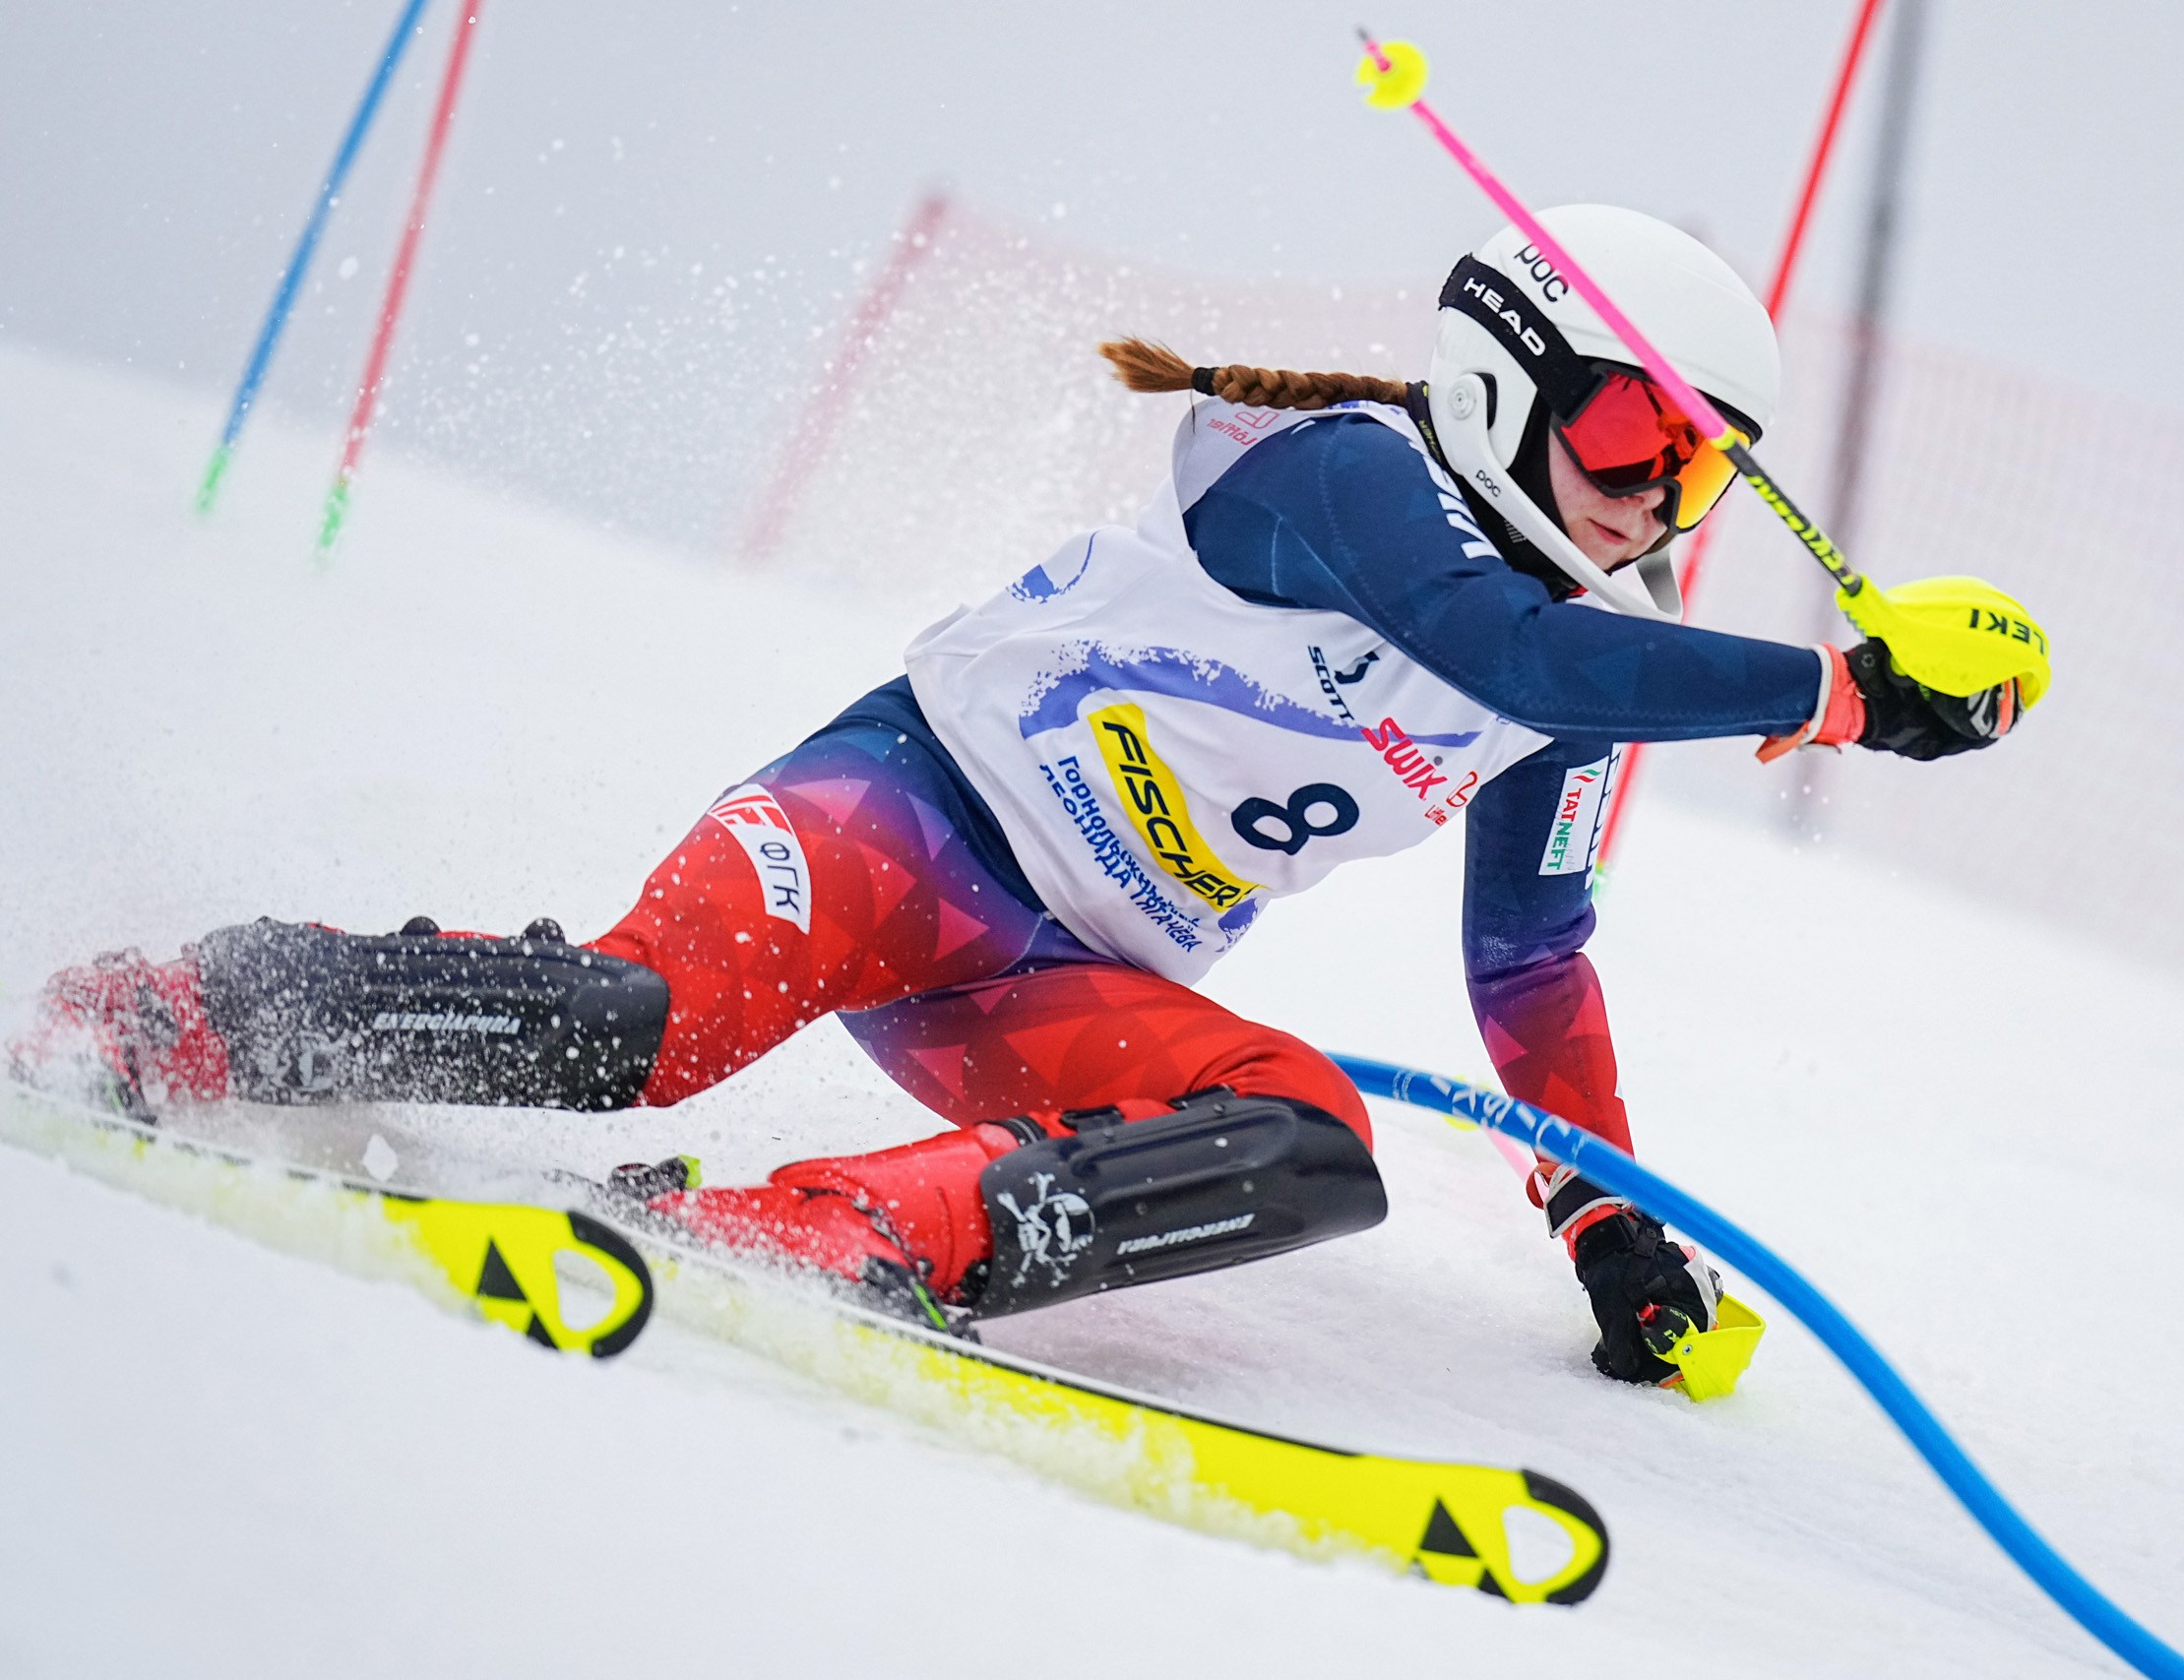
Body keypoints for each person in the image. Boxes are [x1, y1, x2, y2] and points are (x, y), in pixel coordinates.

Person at [14, 207, 2018, 1383]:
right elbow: (1496, 645)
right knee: (646, 1023)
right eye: (1623, 430)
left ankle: (843, 1237)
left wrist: (1603, 1214)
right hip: (904, 819)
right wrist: (1838, 693)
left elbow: (1532, 958)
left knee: (1312, 1139)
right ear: (1503, 371)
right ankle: (199, 1005)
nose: (1647, 494)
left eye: (1692, 469)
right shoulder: (1336, 479)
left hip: (1049, 976)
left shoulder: (1592, 670)